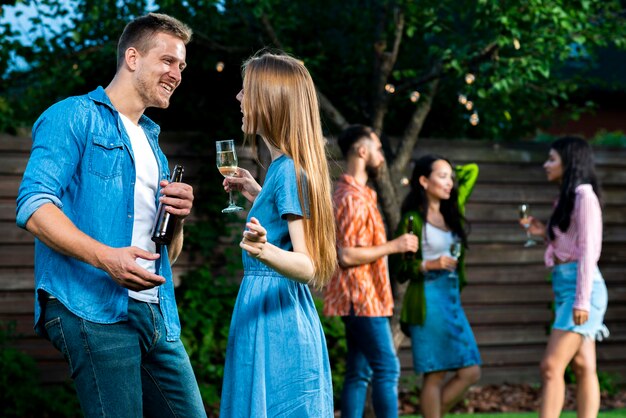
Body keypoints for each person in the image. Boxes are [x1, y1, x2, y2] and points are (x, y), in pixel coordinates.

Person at [15, 13, 206, 417]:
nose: (177, 74)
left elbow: (165, 257)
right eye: (168, 61)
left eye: (182, 66)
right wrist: (106, 258)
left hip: (156, 314)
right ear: (132, 58)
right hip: (91, 307)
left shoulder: (153, 145)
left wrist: (178, 218)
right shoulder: (73, 116)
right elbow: (33, 205)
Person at [219, 51, 336, 417]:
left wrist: (263, 250)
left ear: (271, 100)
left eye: (246, 90)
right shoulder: (281, 171)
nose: (239, 98)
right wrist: (258, 194)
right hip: (270, 311)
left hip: (277, 319)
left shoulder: (287, 171)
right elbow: (286, 223)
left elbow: (309, 266)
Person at [323, 124, 418, 418]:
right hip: (361, 299)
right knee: (387, 368)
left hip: (367, 298)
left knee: (359, 372)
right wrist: (396, 245)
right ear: (362, 151)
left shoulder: (361, 195)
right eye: (377, 148)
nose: (381, 155)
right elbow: (346, 255)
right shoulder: (351, 198)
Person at [521, 136, 609, 418]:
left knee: (550, 366)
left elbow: (588, 252)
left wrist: (581, 300)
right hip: (565, 286)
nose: (546, 165)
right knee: (584, 366)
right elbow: (569, 243)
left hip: (582, 290)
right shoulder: (566, 197)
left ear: (569, 162)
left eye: (552, 159)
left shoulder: (585, 197)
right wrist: (543, 231)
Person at [391, 155, 481, 418]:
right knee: (435, 373)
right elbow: (401, 269)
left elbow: (472, 169)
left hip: (451, 298)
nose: (450, 182)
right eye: (442, 176)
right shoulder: (412, 220)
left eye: (451, 177)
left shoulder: (453, 210)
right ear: (423, 181)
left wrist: (447, 167)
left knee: (470, 371)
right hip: (427, 299)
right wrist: (430, 264)